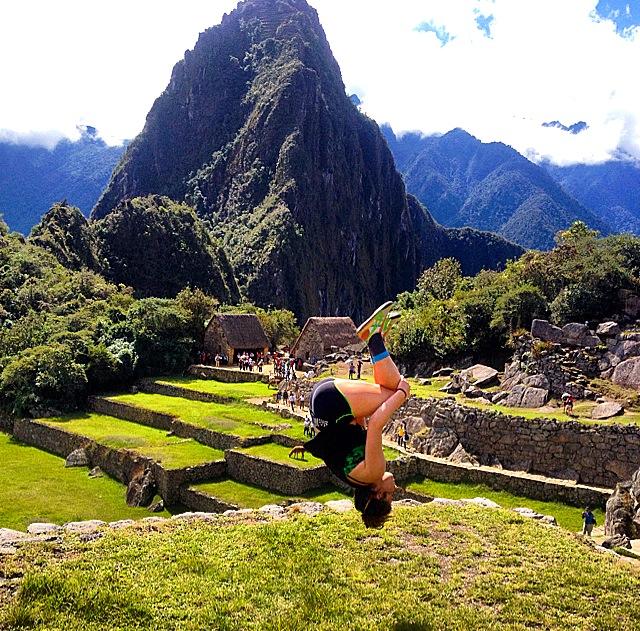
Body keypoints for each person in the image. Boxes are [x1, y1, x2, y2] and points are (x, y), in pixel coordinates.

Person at [289, 301, 405, 528]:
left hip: (331, 404)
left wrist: (402, 394)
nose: (395, 490)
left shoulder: (373, 472)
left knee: (394, 389)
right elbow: (345, 438)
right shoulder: (354, 478)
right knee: (385, 391)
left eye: (391, 496)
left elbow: (375, 425)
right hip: (323, 407)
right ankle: (377, 338)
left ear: (377, 494)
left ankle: (372, 337)